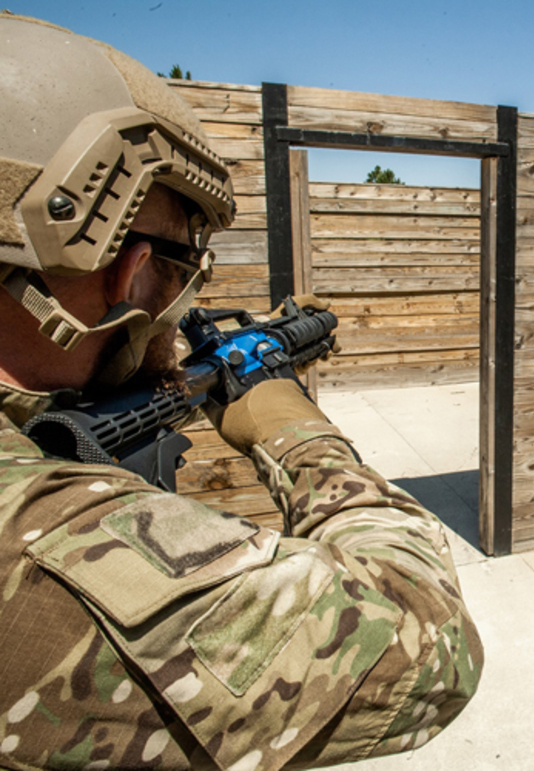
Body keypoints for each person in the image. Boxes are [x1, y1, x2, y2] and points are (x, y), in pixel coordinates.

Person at [0, 13, 482, 771]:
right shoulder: (46, 538)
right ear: (130, 270)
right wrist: (296, 430)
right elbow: (428, 645)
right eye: (182, 259)